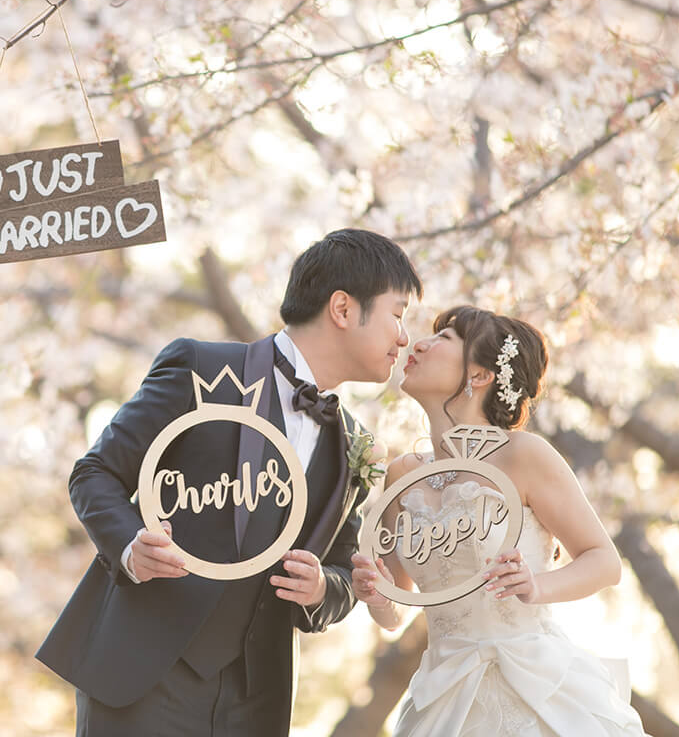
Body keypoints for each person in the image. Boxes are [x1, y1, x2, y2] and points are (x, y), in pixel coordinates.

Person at [36, 229, 422, 736]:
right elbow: (95, 472)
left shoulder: (356, 444)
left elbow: (345, 571)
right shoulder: (200, 368)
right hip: (147, 676)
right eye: (398, 314)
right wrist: (131, 546)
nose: (403, 337)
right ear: (343, 309)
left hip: (255, 699)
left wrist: (319, 589)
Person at [351, 305, 649, 736]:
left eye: (445, 338)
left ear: (481, 375)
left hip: (534, 687)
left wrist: (536, 587)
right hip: (443, 695)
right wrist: (375, 595)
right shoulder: (401, 475)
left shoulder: (523, 455)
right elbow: (397, 608)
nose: (418, 344)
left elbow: (604, 561)